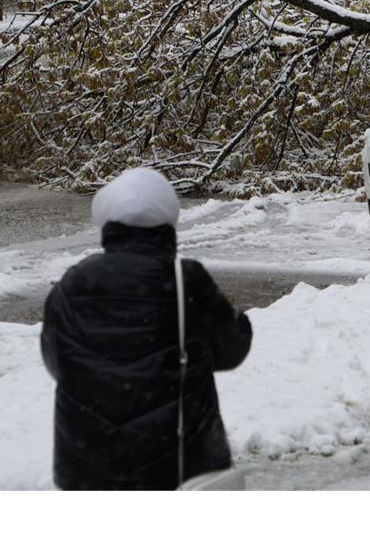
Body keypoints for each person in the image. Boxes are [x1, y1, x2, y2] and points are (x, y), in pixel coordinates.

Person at [41, 167, 252, 490]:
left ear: (108, 224)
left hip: (90, 462)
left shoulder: (73, 283)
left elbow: (58, 362)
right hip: (177, 460)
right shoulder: (187, 280)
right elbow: (231, 350)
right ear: (168, 224)